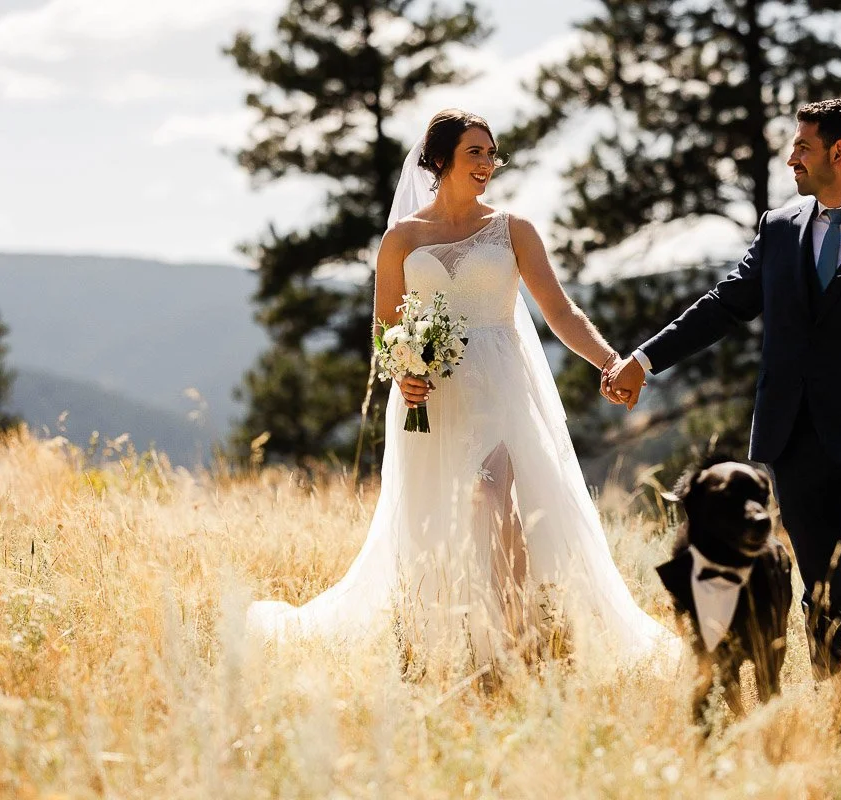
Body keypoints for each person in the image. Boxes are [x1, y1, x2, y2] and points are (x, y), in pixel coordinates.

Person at [247, 109, 678, 671]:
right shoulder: (401, 240)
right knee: (438, 521)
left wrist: (611, 362)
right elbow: (384, 328)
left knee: (495, 501)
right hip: (430, 399)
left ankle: (518, 644)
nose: (487, 164)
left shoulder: (513, 229)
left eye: (492, 154)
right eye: (475, 152)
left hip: (501, 388)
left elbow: (561, 311)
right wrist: (402, 369)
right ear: (438, 159)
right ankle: (442, 644)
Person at [602, 99, 841, 690]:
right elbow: (724, 304)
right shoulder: (778, 229)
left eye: (802, 146)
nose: (791, 157)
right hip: (792, 438)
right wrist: (644, 360)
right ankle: (835, 699)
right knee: (818, 582)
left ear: (839, 153)